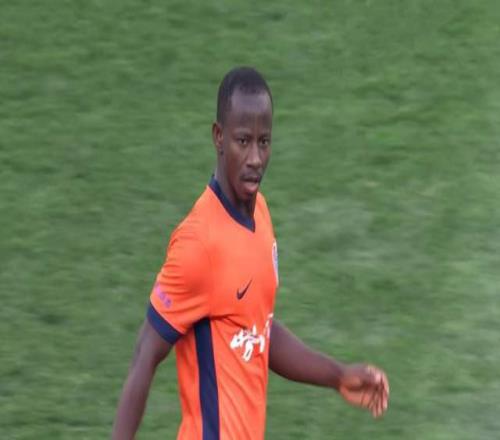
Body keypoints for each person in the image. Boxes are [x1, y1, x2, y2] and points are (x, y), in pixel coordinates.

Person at [112, 66, 389, 440]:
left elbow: (257, 328)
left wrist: (337, 375)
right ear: (218, 137)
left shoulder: (260, 215)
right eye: (243, 141)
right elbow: (144, 354)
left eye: (264, 141)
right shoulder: (199, 243)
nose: (256, 157)